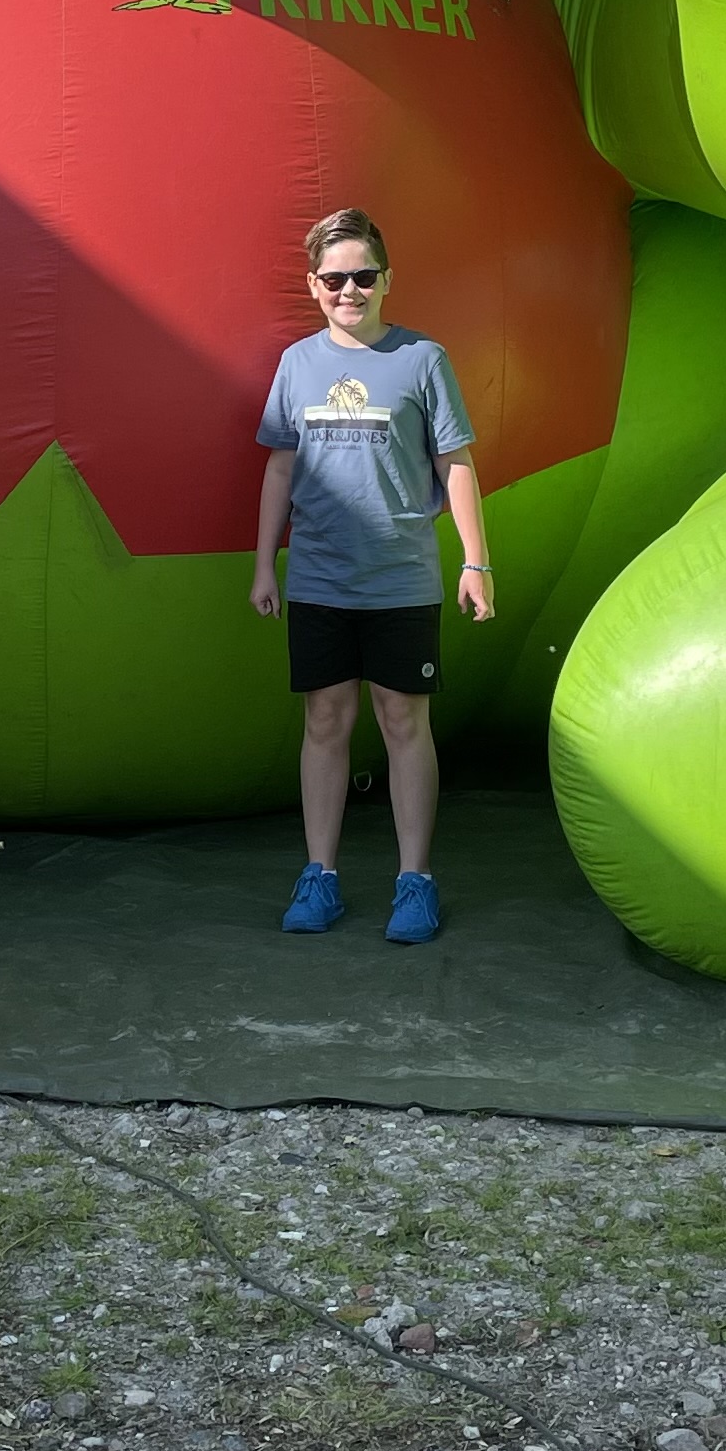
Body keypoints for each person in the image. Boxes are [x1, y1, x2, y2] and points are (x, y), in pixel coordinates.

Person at [251, 208, 493, 942]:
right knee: (325, 720)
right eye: (334, 279)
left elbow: (455, 463)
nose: (348, 290)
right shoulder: (297, 364)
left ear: (386, 280)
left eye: (362, 276)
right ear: (314, 286)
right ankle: (319, 877)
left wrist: (475, 561)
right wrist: (265, 562)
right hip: (320, 580)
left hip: (400, 580)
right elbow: (280, 465)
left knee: (401, 720)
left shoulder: (423, 359)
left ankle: (413, 882)